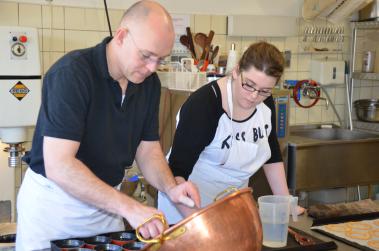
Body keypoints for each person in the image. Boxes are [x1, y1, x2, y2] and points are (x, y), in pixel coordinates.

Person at [16, 1, 200, 250]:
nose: (152, 68)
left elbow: (148, 151)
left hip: (105, 211)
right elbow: (59, 165)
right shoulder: (72, 75)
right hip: (54, 211)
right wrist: (129, 207)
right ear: (122, 36)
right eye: (146, 56)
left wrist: (171, 188)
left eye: (160, 59)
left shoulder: (148, 85)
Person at [158, 41, 305, 224]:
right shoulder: (204, 106)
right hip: (187, 208)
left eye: (264, 91)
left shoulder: (264, 103)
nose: (254, 96)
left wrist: (285, 202)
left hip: (232, 206)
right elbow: (176, 171)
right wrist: (198, 220)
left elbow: (271, 149)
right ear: (236, 71)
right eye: (249, 85)